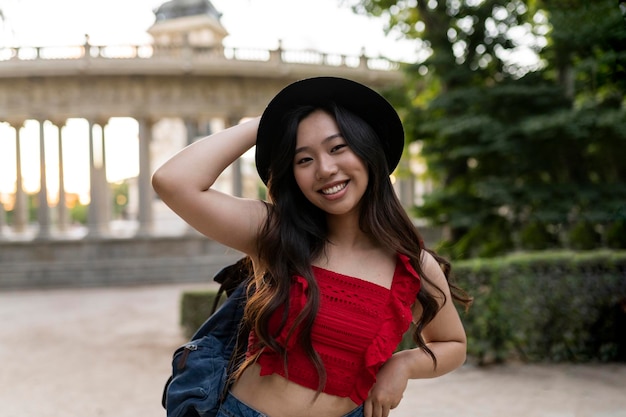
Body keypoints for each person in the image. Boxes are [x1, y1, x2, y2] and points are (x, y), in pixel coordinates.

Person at [152, 77, 471, 417]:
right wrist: (268, 122)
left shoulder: (413, 266)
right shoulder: (276, 233)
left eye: (337, 148)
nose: (325, 169)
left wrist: (404, 365)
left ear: (367, 151)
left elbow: (453, 344)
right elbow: (173, 182)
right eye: (304, 159)